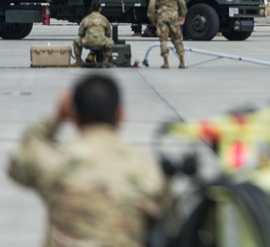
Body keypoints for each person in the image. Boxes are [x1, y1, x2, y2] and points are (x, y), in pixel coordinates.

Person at [7, 74, 169, 247]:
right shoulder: (147, 170)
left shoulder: (55, 162)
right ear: (120, 115)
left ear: (73, 116)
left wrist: (56, 118)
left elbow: (20, 161)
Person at [148, 0, 187, 69]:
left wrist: (152, 18)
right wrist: (182, 16)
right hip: (174, 16)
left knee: (163, 39)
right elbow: (182, 4)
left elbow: (151, 6)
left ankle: (166, 62)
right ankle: (182, 61)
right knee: (177, 39)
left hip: (162, 17)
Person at [72, 0, 115, 68]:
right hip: (101, 42)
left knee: (76, 41)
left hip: (87, 42)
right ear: (100, 9)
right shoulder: (104, 19)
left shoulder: (86, 19)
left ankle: (78, 61)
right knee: (111, 42)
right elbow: (108, 34)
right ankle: (105, 62)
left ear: (91, 8)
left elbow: (80, 33)